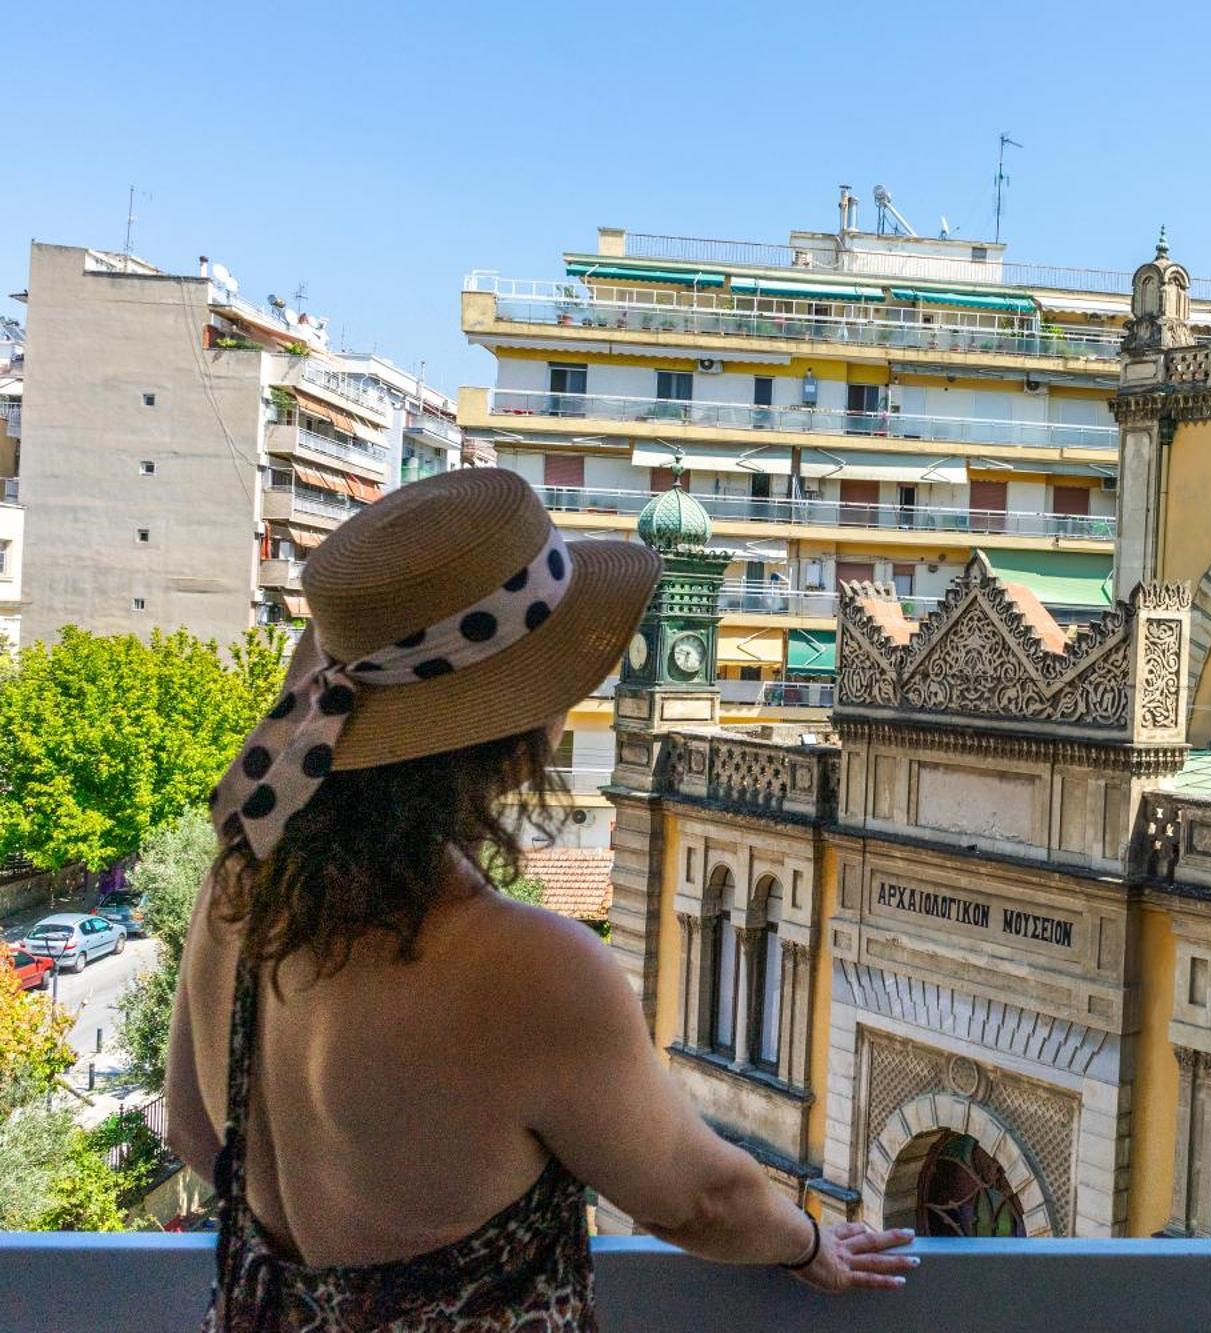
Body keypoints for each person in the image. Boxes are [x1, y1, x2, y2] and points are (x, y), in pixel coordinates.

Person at [166, 470, 915, 1330]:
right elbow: (698, 1196)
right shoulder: (528, 969)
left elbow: (195, 1128)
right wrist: (810, 1245)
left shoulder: (242, 885)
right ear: (515, 729)